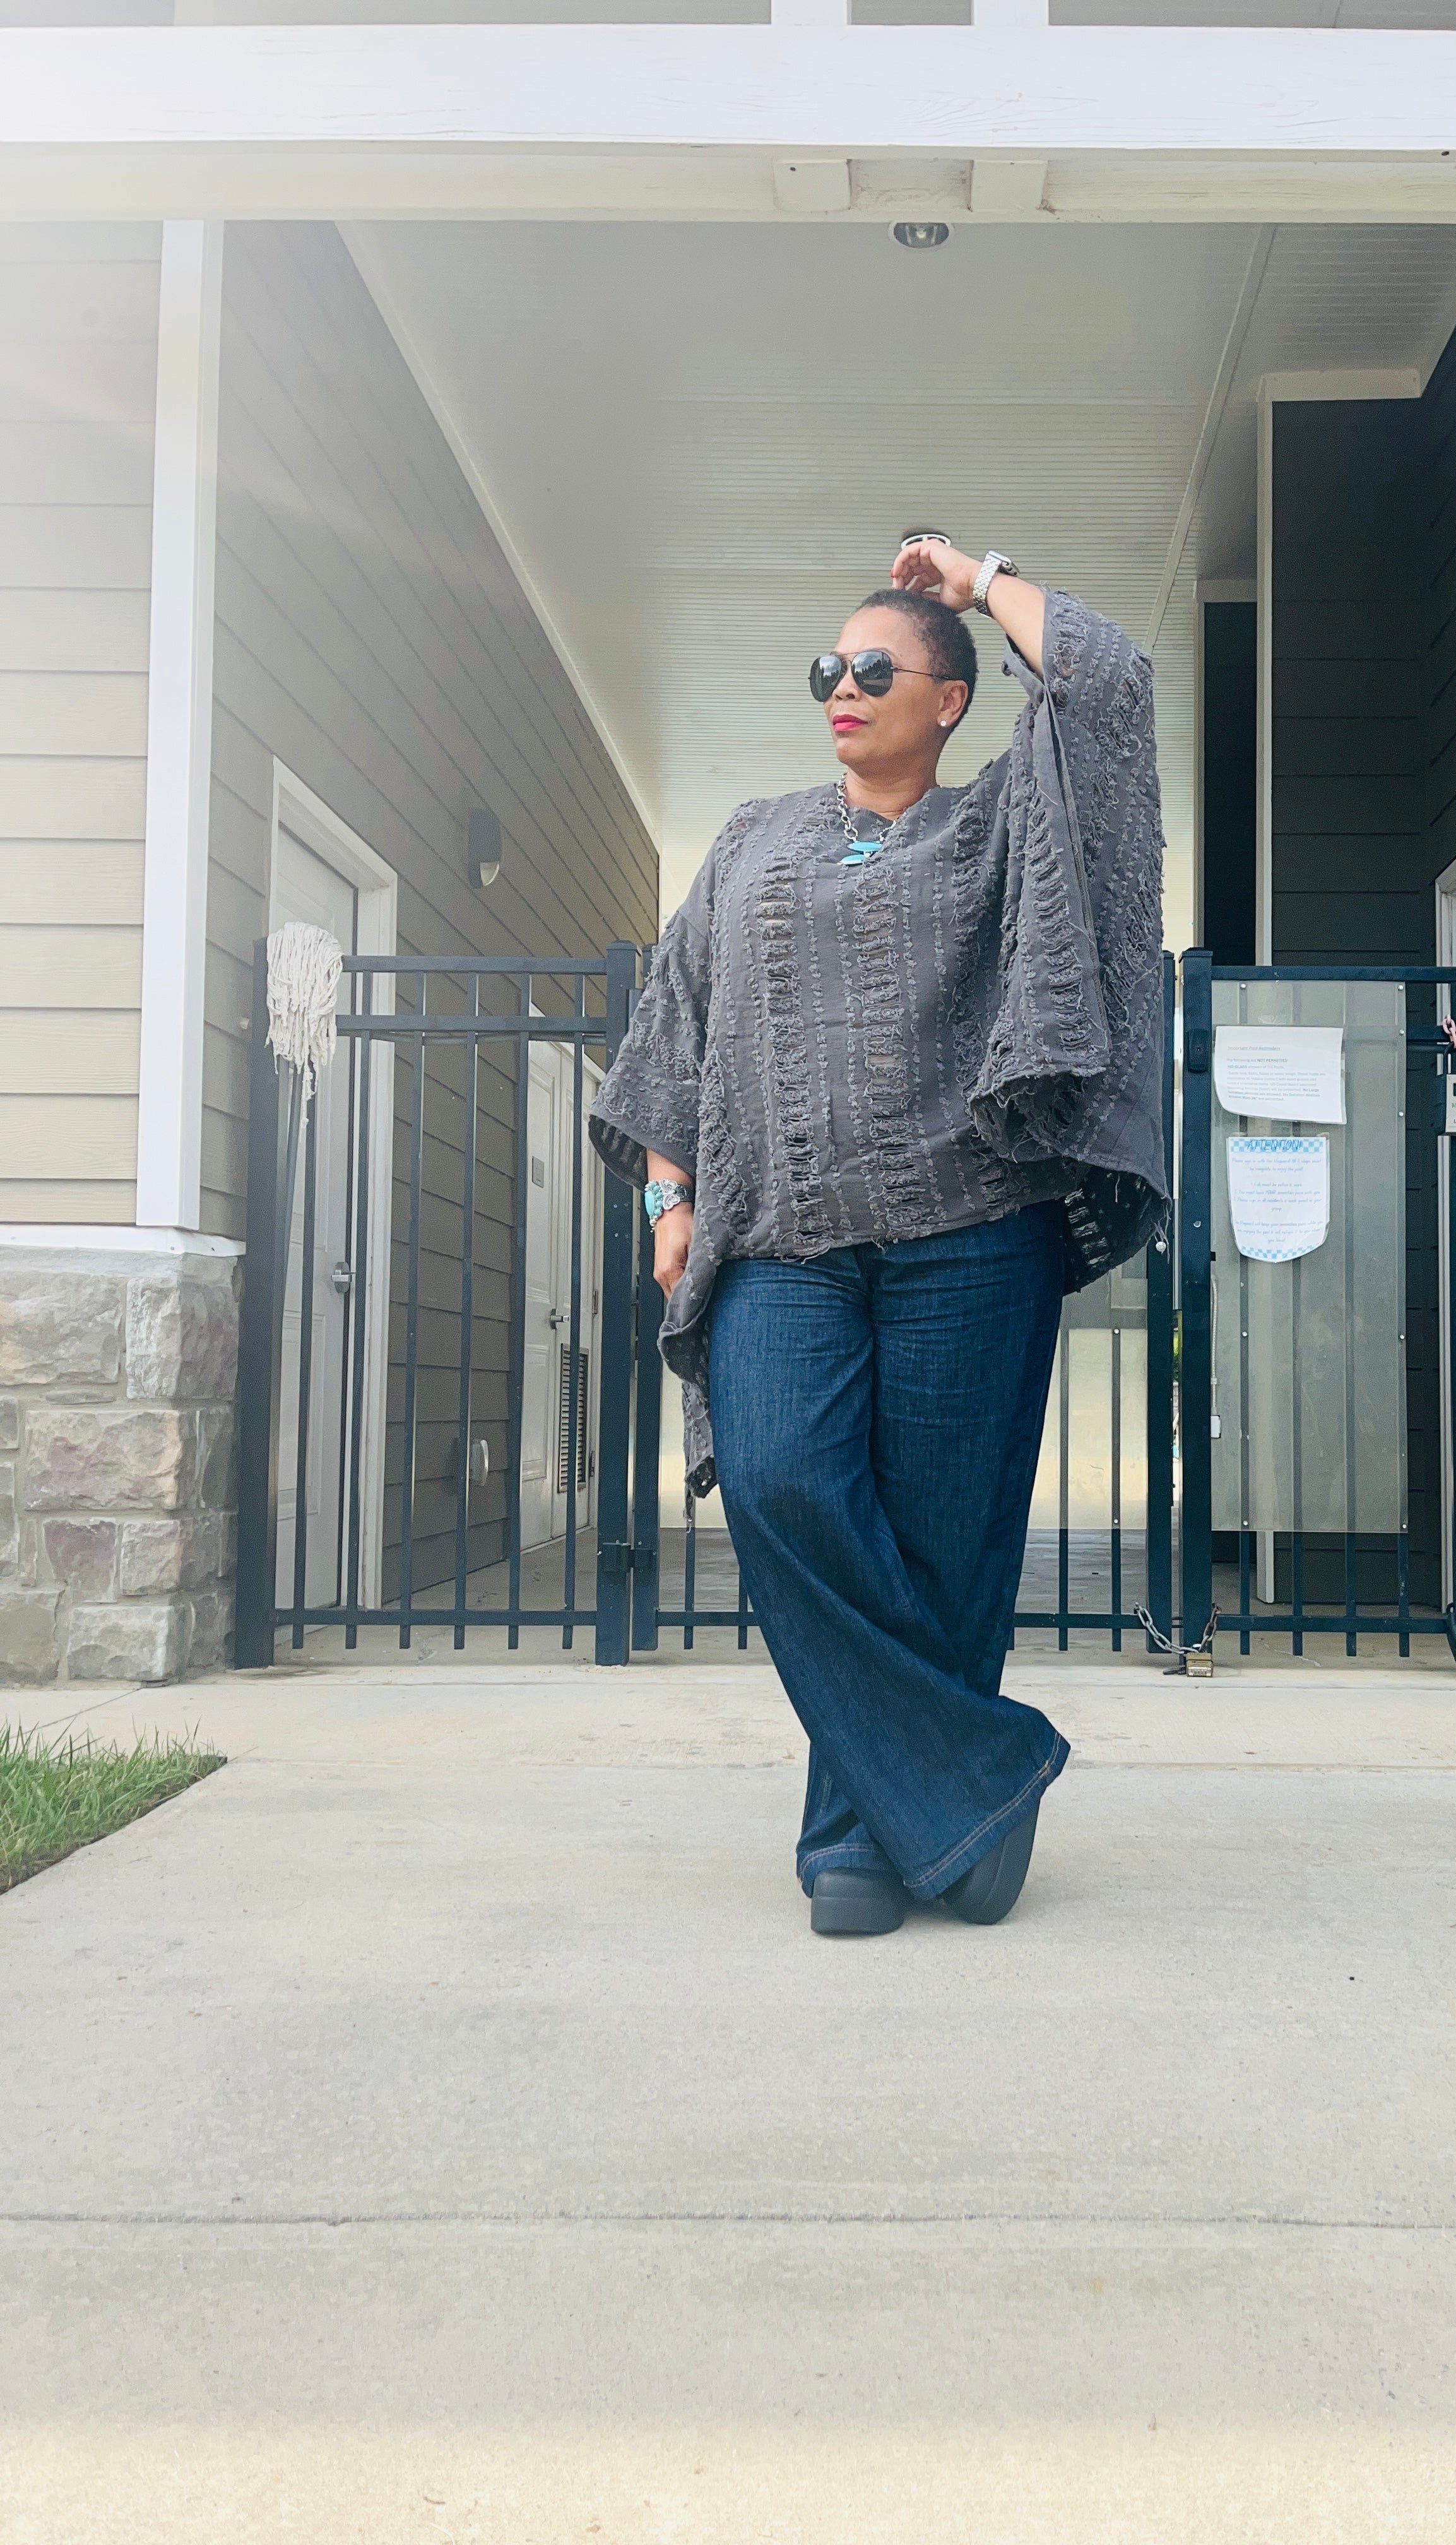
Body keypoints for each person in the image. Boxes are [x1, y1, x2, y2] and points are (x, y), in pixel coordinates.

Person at [589, 534, 1166, 1937]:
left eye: (872, 668)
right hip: (778, 1239)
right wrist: (670, 1201)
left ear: (949, 696)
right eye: (825, 673)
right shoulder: (751, 840)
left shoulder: (997, 826)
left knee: (946, 1542)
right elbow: (677, 1026)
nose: (841, 691)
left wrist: (978, 583)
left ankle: (860, 1839)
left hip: (973, 1234)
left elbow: (1111, 685)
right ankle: (980, 1780)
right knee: (785, 1488)